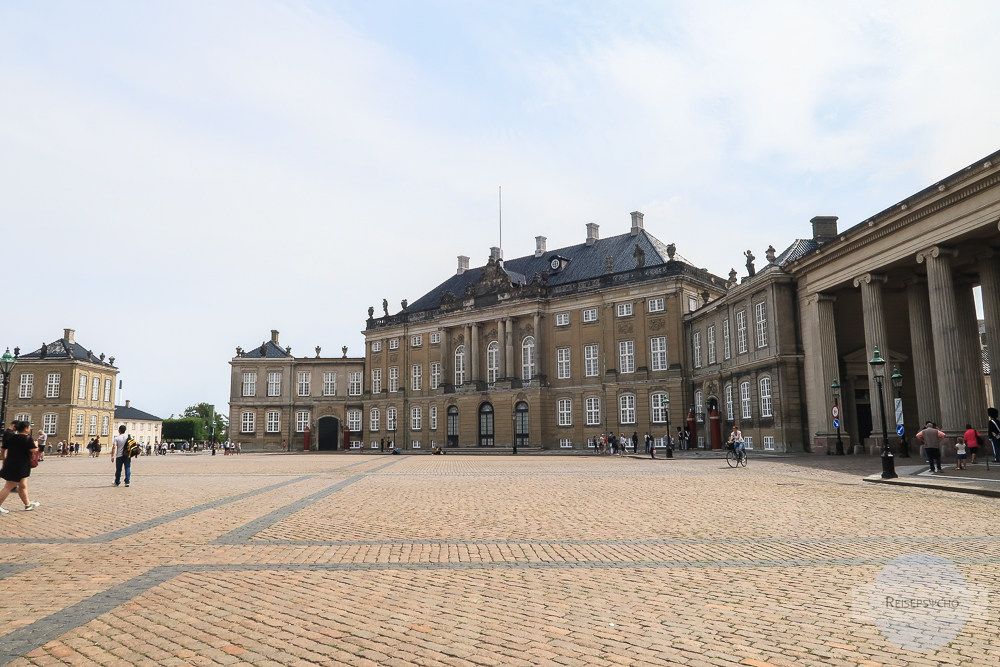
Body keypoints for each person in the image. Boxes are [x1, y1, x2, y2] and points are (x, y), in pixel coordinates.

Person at [0, 420, 41, 513]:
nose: (30, 428)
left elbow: (3, 449)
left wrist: (5, 458)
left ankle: (28, 504)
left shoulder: (12, 437)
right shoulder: (27, 438)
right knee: (8, 486)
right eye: (29, 427)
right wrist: (36, 445)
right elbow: (34, 450)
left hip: (11, 463)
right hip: (20, 465)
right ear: (26, 429)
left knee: (22, 485)